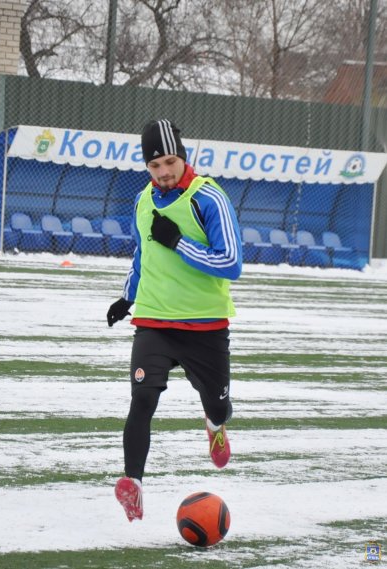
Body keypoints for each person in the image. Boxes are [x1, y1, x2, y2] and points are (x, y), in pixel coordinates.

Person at [107, 118, 243, 522]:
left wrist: (179, 242)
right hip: (154, 321)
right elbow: (142, 254)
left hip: (206, 327)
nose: (163, 172)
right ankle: (133, 483)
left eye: (169, 162)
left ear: (183, 157)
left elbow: (231, 263)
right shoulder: (142, 200)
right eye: (154, 165)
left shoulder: (209, 197)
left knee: (218, 405)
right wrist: (128, 297)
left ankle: (215, 424)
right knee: (142, 399)